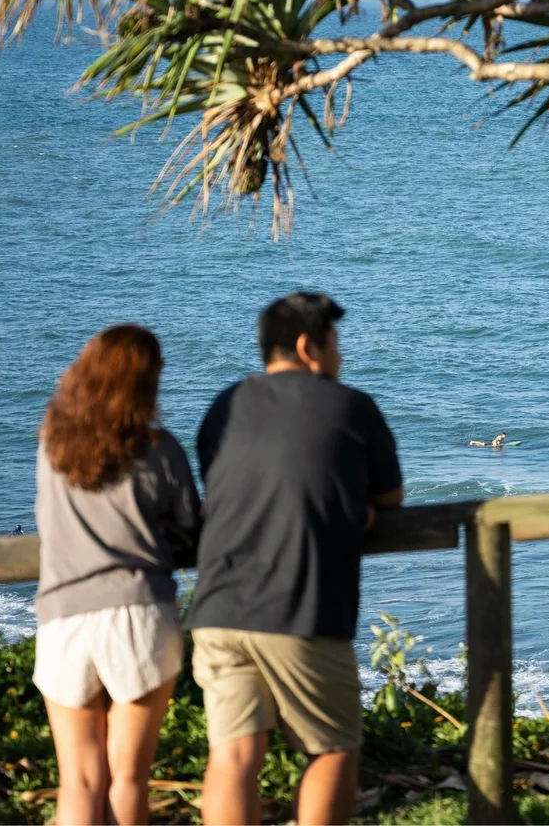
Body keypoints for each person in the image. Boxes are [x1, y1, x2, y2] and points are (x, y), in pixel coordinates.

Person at [189, 293, 403, 826]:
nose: (341, 356)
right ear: (308, 347)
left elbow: (223, 483)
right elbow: (391, 495)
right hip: (301, 605)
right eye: (336, 344)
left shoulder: (225, 405)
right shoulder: (350, 406)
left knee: (233, 756)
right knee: (333, 748)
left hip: (217, 606)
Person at [32, 325, 201, 826]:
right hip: (139, 611)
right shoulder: (160, 448)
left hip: (64, 615)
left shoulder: (52, 443)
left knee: (80, 782)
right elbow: (192, 530)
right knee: (127, 779)